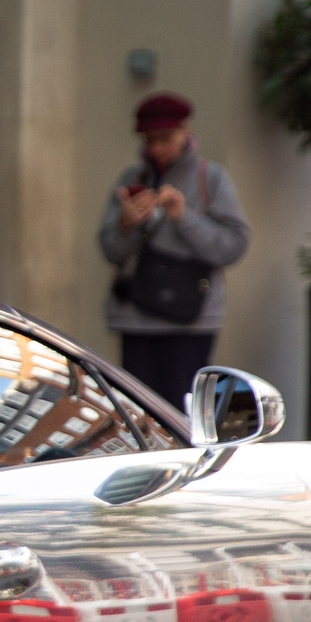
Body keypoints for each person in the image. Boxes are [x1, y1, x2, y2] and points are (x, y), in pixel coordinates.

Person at [97, 92, 252, 412]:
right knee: (138, 413)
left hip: (191, 320)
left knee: (182, 414)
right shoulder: (132, 178)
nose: (157, 148)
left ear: (186, 130)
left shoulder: (211, 178)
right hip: (136, 318)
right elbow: (110, 251)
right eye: (149, 139)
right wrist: (126, 225)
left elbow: (233, 247)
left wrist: (184, 216)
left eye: (165, 138)